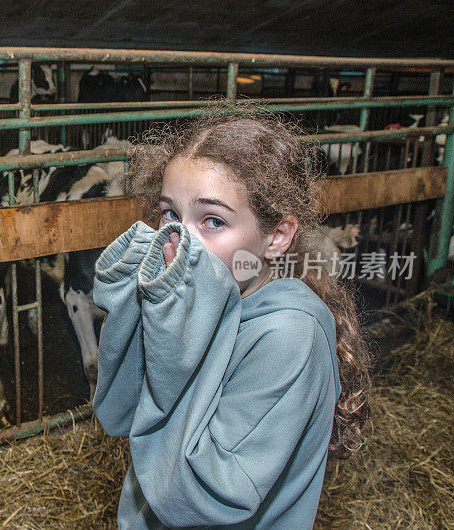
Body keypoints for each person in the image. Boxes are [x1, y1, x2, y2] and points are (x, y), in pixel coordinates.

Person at [92, 110, 371, 529]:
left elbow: (209, 494)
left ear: (277, 236)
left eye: (213, 221)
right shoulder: (185, 305)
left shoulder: (287, 336)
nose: (178, 241)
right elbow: (119, 412)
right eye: (170, 214)